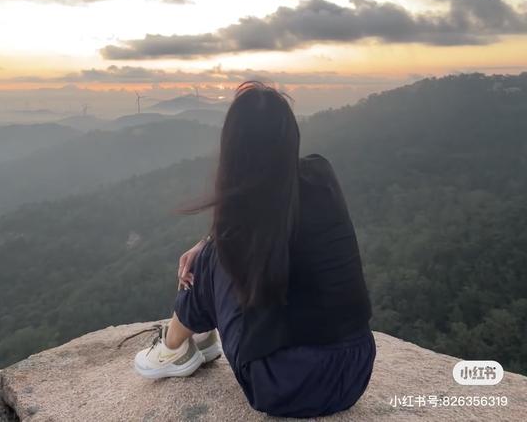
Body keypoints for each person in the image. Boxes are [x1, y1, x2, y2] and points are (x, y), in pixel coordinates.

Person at [127, 80, 376, 418]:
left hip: (286, 386)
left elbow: (237, 235)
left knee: (209, 258)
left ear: (234, 146)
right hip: (356, 371)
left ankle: (174, 348)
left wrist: (207, 247)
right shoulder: (321, 173)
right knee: (214, 248)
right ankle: (198, 340)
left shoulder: (244, 209)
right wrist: (210, 239)